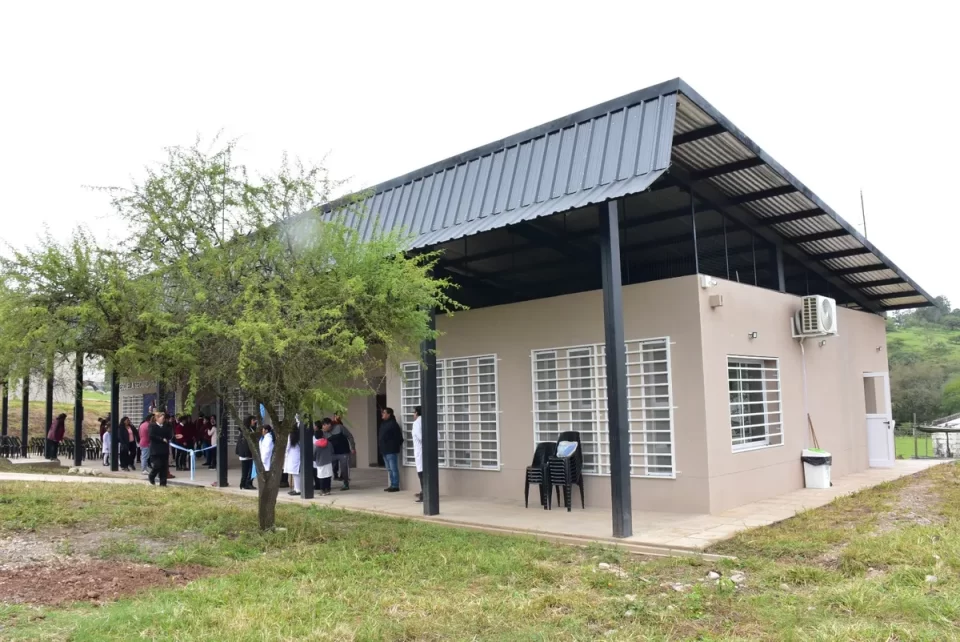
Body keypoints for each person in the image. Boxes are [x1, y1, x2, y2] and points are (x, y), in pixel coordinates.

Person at [378, 407, 404, 492]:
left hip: (391, 450)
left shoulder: (393, 424)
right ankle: (392, 484)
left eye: (384, 413)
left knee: (393, 468)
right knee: (389, 469)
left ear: (389, 414)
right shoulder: (383, 424)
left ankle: (395, 485)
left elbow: (399, 438)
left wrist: (394, 446)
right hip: (384, 450)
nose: (383, 414)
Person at [329, 413, 357, 491]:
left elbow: (349, 436)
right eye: (337, 415)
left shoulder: (340, 426)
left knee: (344, 467)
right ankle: (334, 476)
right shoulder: (327, 429)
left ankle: (345, 482)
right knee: (333, 465)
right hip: (333, 452)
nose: (339, 416)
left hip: (343, 451)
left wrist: (352, 447)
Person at [148, 411, 172, 486]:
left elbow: (169, 435)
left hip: (164, 449)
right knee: (157, 465)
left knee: (164, 467)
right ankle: (152, 475)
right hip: (156, 450)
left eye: (164, 418)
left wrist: (172, 436)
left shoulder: (166, 426)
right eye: (162, 418)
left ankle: (163, 483)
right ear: (157, 418)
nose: (163, 420)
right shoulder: (152, 426)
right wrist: (161, 439)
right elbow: (151, 436)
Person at [314, 419, 334, 496]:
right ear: (322, 435)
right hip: (328, 461)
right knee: (328, 476)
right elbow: (332, 450)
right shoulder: (328, 443)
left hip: (320, 462)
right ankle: (328, 490)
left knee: (321, 477)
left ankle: (322, 490)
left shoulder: (316, 445)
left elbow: (314, 454)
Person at [236, 415, 256, 490]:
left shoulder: (250, 429)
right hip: (246, 454)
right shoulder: (246, 431)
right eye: (253, 420)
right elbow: (245, 444)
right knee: (247, 470)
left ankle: (244, 483)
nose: (255, 422)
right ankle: (246, 484)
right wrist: (248, 454)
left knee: (248, 470)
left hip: (248, 454)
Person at [284, 429, 302, 496]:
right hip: (298, 455)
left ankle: (297, 489)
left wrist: (285, 454)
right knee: (296, 473)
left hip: (292, 456)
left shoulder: (290, 436)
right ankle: (296, 488)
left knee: (295, 474)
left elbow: (287, 447)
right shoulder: (300, 436)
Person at [412, 406, 423, 503]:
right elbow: (438, 436)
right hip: (429, 451)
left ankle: (424, 493)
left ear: (417, 413)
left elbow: (420, 436)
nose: (413, 414)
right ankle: (425, 492)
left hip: (420, 450)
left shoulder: (416, 423)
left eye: (414, 412)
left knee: (421, 472)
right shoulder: (430, 421)